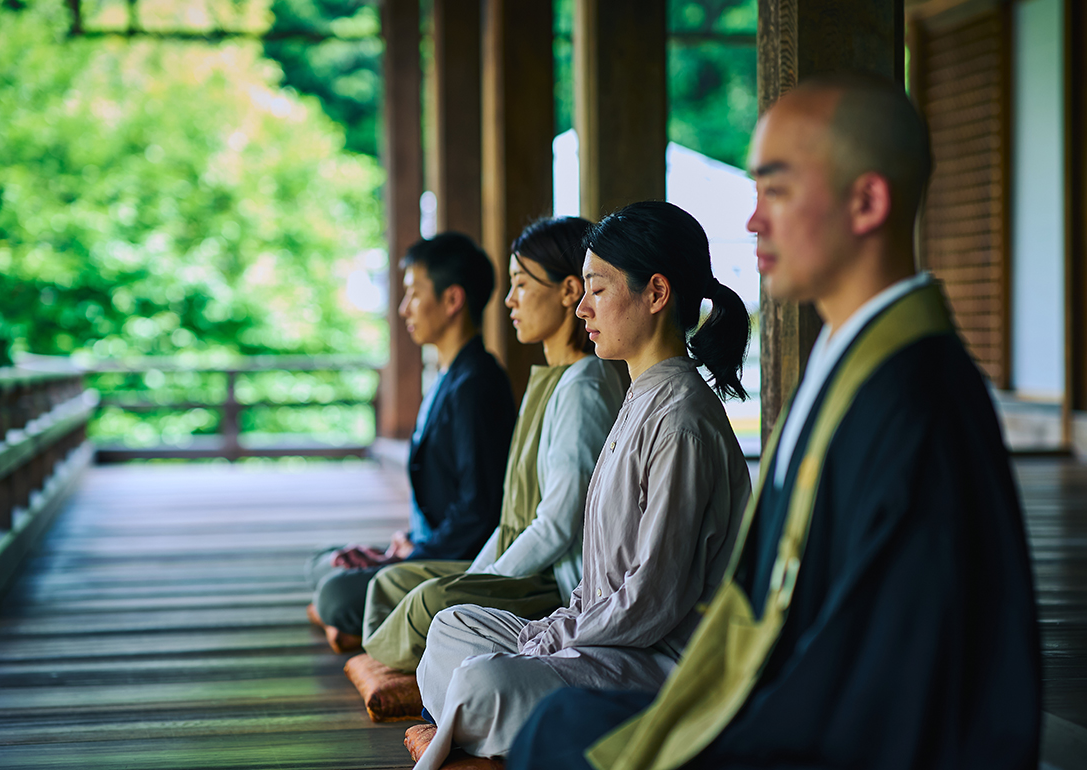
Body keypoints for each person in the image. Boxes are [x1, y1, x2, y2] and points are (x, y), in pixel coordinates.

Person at [508, 74, 1041, 770]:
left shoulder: (914, 399)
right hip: (788, 702)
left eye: (777, 190)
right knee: (558, 719)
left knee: (555, 730)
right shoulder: (854, 363)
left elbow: (894, 675)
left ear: (866, 201)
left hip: (834, 735)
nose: (754, 220)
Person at [411, 201, 754, 770]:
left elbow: (654, 600)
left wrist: (552, 639)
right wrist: (550, 631)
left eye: (596, 289)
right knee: (452, 630)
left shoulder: (683, 421)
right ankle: (489, 719)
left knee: (485, 680)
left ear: (657, 293)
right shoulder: (639, 394)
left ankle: (489, 720)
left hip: (656, 660)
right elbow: (600, 578)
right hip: (596, 638)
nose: (584, 306)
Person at [359, 217, 626, 673]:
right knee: (389, 584)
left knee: (427, 603)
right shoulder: (549, 379)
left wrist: (479, 581)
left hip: (552, 581)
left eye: (521, 284)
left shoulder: (582, 386)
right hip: (514, 558)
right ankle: (404, 660)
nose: (509, 300)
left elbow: (557, 525)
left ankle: (406, 666)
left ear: (567, 292)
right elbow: (508, 520)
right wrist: (471, 578)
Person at [305, 232, 517, 653]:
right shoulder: (450, 374)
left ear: (452, 300)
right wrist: (405, 545)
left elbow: (479, 512)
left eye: (413, 295)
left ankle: (371, 619)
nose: (404, 309)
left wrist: (413, 556)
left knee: (335, 594)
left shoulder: (476, 385)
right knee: (326, 563)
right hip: (429, 546)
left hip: (458, 562)